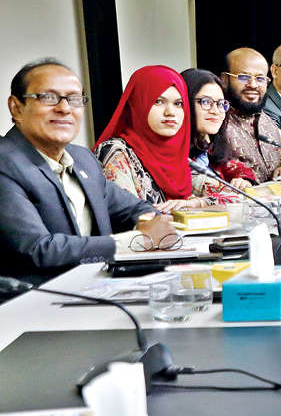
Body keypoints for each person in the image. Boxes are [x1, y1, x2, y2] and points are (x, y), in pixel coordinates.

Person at [1, 59, 176, 285]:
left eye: (74, 99)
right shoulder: (6, 162)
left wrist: (152, 224)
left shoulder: (82, 158)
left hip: (100, 286)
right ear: (16, 107)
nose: (64, 108)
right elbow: (38, 249)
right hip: (37, 297)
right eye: (48, 97)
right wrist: (137, 240)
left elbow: (135, 208)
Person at [95, 65, 207, 210]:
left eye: (178, 104)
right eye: (158, 101)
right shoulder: (116, 152)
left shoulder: (177, 158)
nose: (170, 112)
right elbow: (126, 213)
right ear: (137, 103)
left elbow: (231, 196)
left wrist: (196, 203)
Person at [182, 68, 257, 196]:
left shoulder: (206, 144)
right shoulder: (175, 154)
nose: (216, 111)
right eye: (206, 102)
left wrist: (243, 180)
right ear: (185, 103)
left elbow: (232, 167)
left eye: (221, 104)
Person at [218, 47, 281, 182]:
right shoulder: (215, 120)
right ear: (224, 79)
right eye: (244, 77)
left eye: (260, 79)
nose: (253, 85)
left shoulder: (265, 119)